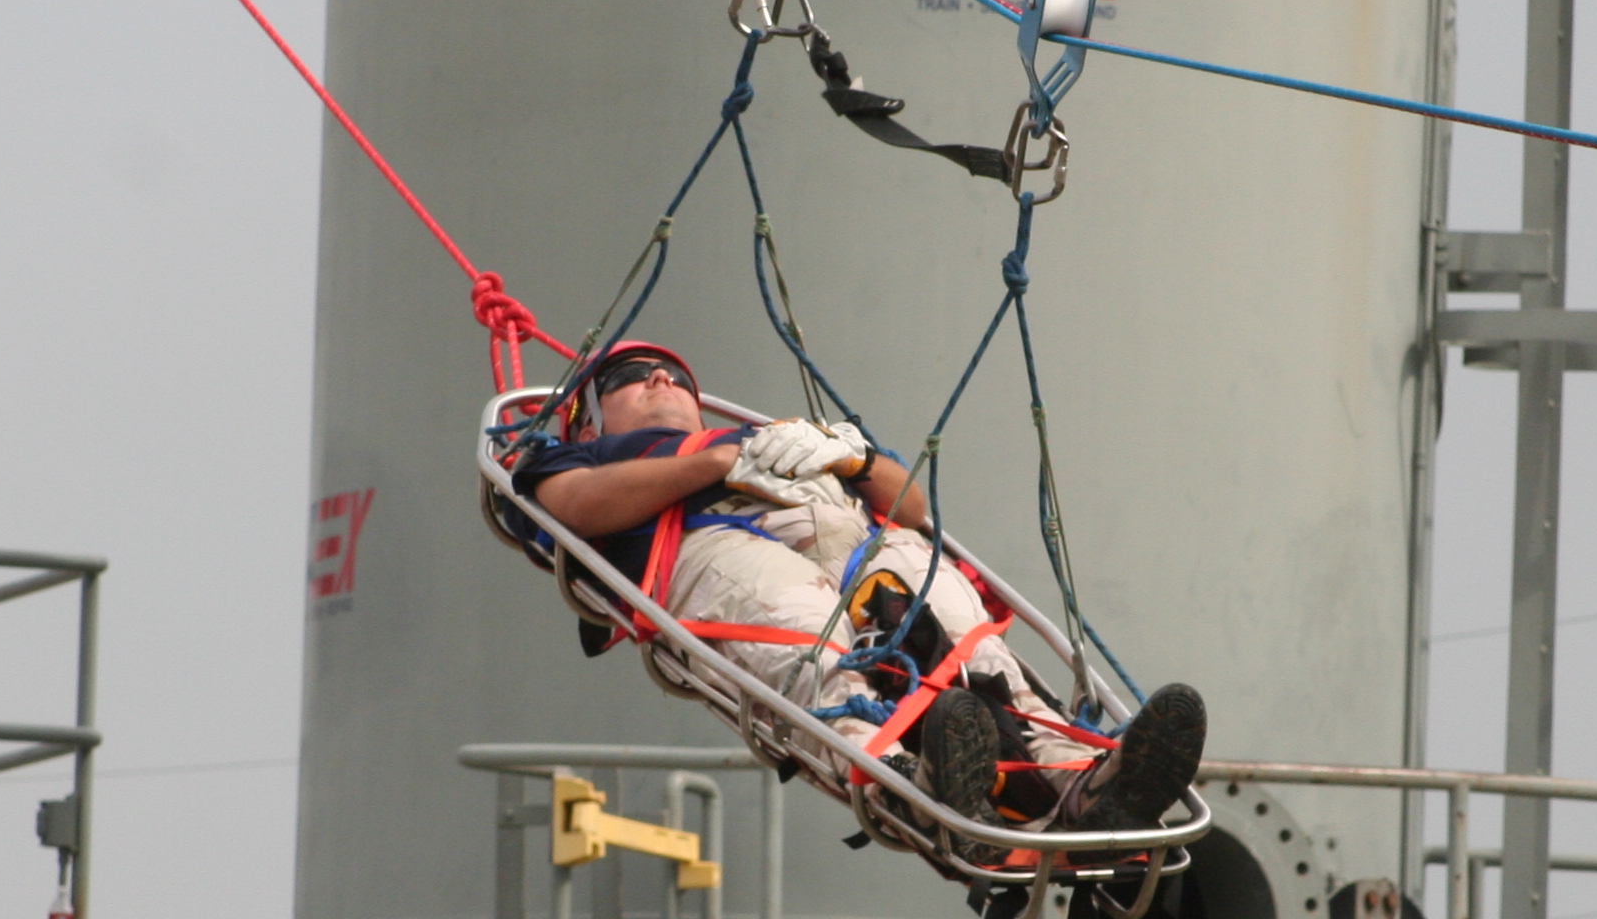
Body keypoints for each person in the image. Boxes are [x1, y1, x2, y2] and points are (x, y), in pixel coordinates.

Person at [511, 340, 1206, 831]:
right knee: (806, 636)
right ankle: (910, 777)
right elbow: (574, 508)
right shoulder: (585, 457)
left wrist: (852, 455)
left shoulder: (785, 437)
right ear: (589, 418)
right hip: (710, 545)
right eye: (631, 377)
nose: (661, 380)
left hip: (861, 542)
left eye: (673, 375)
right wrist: (719, 465)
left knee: (967, 637)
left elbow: (912, 508)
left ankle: (1083, 783)